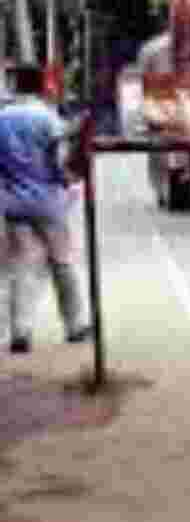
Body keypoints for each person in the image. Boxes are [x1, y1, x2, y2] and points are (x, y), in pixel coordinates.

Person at [0, 64, 90, 353]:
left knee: (20, 266)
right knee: (62, 263)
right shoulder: (48, 118)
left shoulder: (2, 118)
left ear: (15, 86)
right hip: (49, 201)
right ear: (40, 86)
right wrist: (68, 180)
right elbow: (61, 159)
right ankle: (75, 325)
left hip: (13, 202)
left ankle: (20, 332)